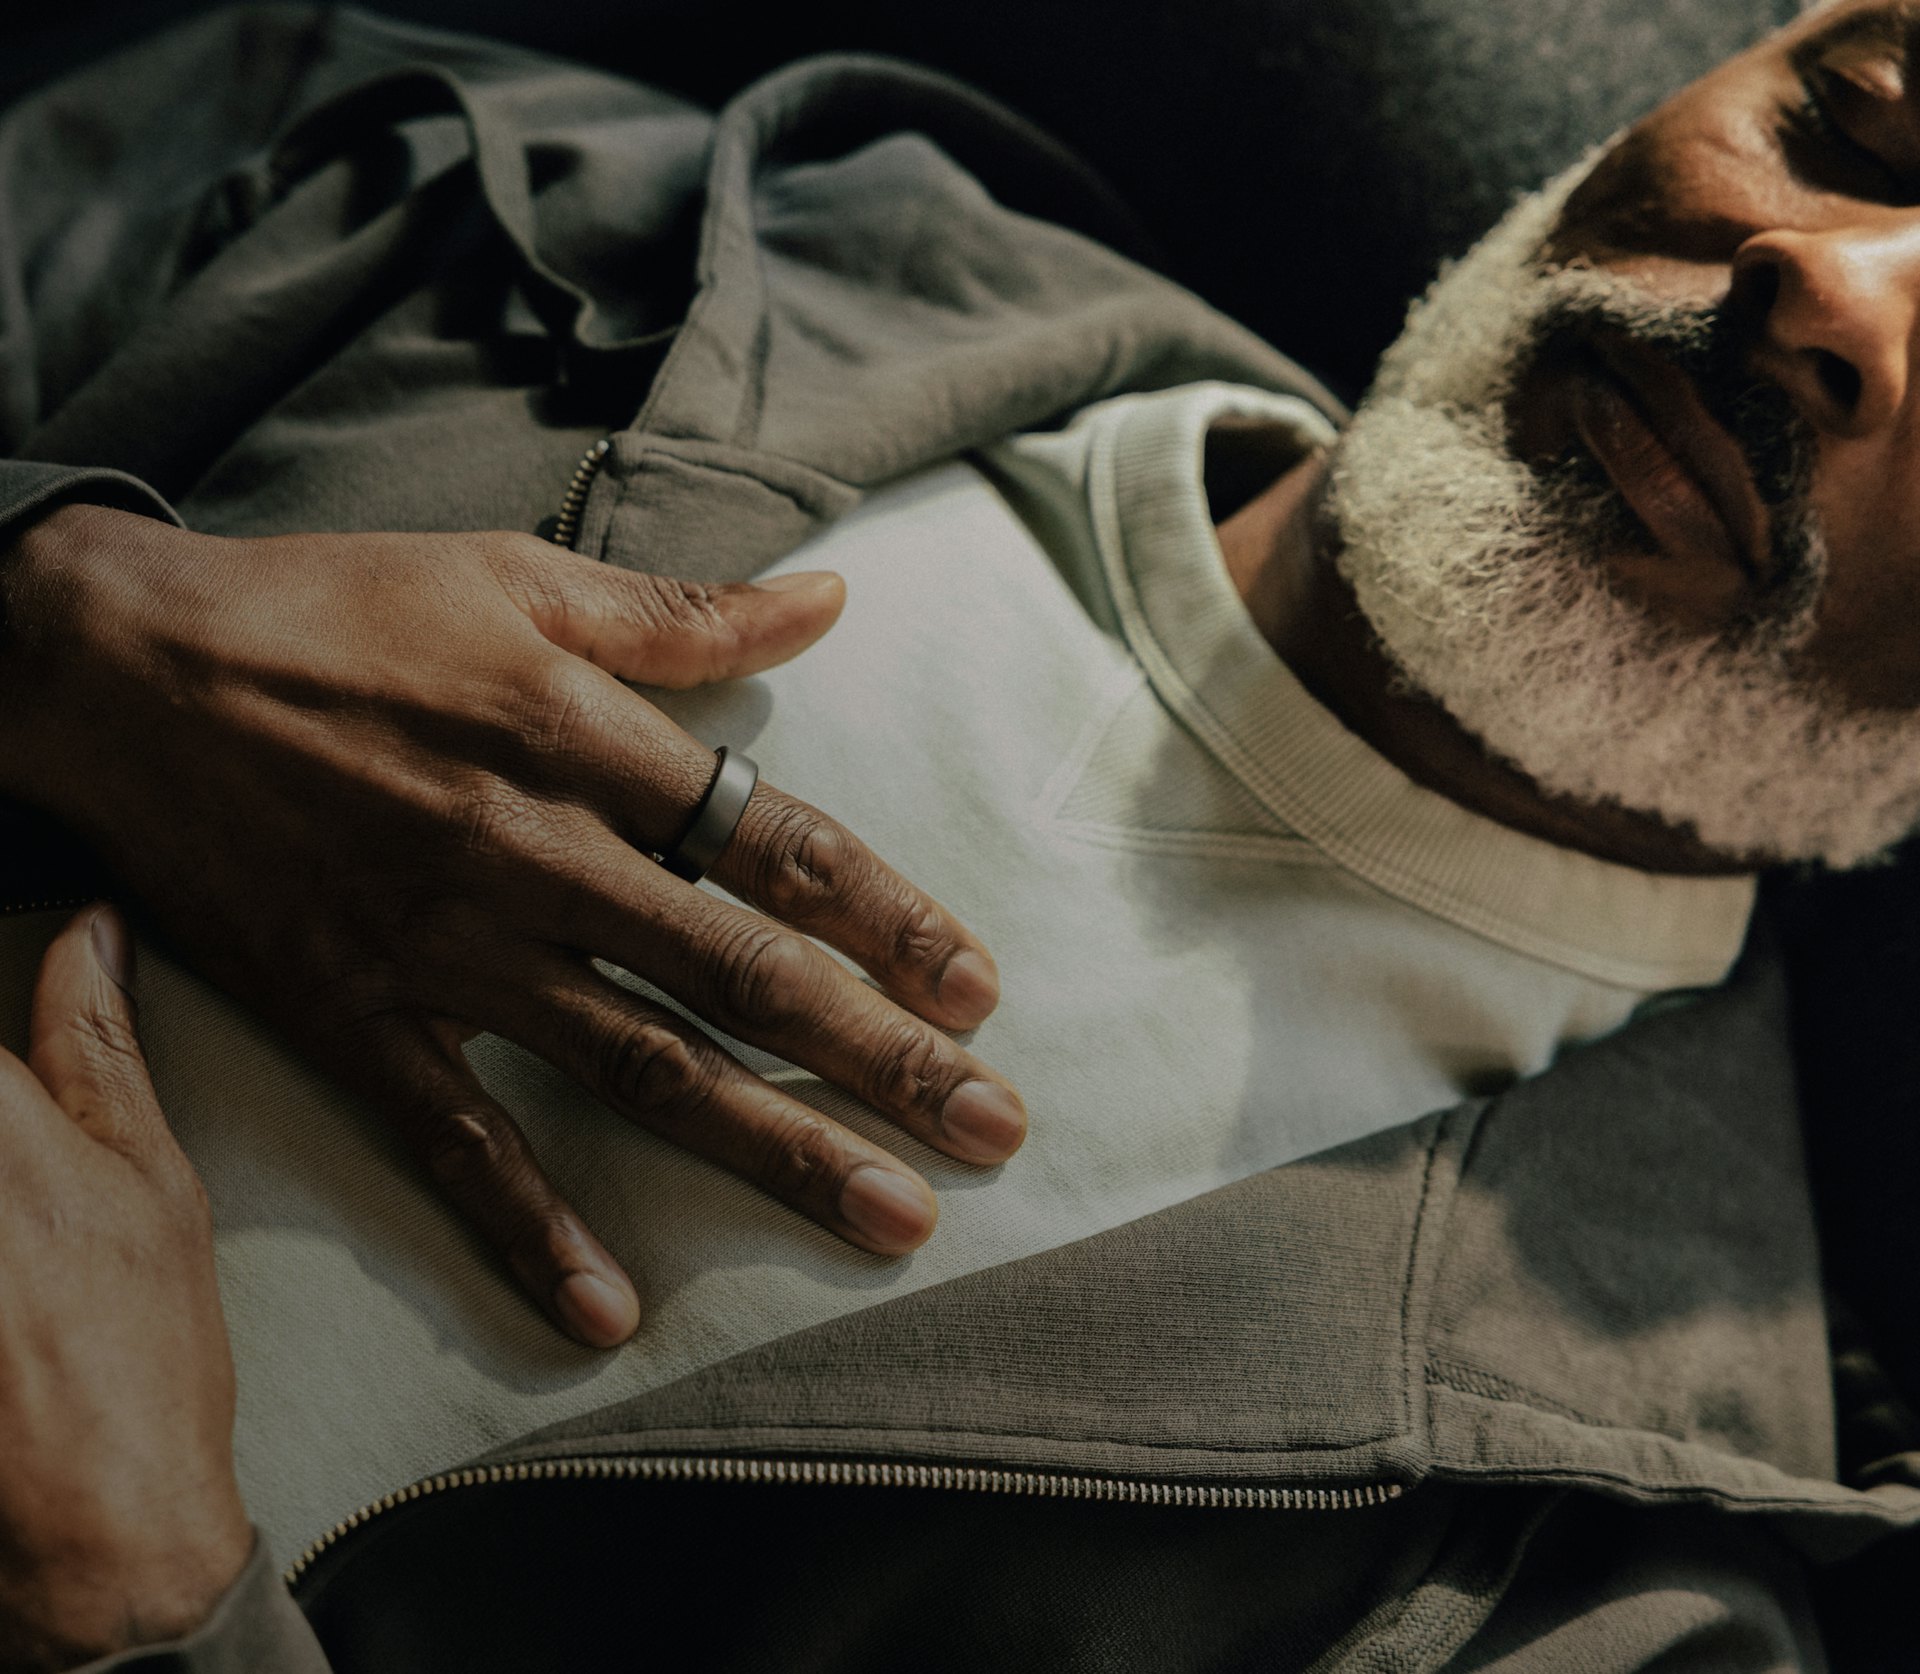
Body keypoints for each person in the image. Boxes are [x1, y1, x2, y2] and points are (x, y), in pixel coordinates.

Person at [3, 0, 1920, 1668]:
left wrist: (136, 1603)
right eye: (1859, 121)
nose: (1832, 282)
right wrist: (54, 617)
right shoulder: (534, 201)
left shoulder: (1570, 1607)